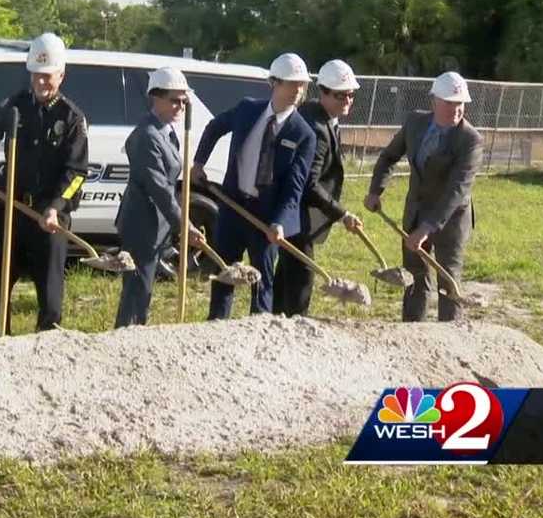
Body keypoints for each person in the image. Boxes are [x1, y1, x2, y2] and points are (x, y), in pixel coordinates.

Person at [0, 33, 89, 335]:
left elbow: (76, 172)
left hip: (48, 216)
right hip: (12, 209)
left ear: (61, 75)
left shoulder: (72, 118)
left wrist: (55, 208)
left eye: (48, 77)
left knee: (50, 292)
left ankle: (46, 343)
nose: (41, 83)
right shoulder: (15, 105)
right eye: (36, 76)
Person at [191, 52, 316, 319]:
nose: (297, 90)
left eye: (302, 84)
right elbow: (215, 127)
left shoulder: (303, 134)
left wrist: (280, 222)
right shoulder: (248, 109)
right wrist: (199, 162)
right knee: (224, 273)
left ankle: (257, 331)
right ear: (274, 83)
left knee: (262, 282)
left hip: (266, 220)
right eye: (291, 83)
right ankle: (217, 327)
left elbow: (295, 187)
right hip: (233, 206)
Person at [364, 71, 483, 322]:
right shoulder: (415, 123)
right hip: (416, 213)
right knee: (415, 277)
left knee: (448, 281)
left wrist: (428, 228)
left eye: (460, 103)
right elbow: (388, 157)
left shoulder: (470, 140)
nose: (456, 109)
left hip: (450, 221)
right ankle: (412, 334)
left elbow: (457, 189)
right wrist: (376, 190)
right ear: (434, 101)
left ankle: (450, 337)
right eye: (449, 102)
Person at [114, 67, 206, 327]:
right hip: (141, 225)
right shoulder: (146, 136)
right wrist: (185, 226)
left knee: (144, 290)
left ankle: (135, 332)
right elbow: (159, 189)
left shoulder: (166, 130)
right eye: (174, 100)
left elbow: (167, 172)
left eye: (183, 101)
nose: (180, 106)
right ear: (156, 97)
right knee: (136, 291)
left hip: (156, 225)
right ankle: (126, 338)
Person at [272, 59, 363, 317]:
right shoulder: (316, 127)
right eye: (340, 95)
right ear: (322, 91)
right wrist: (342, 214)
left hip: (296, 212)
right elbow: (309, 183)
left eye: (351, 95)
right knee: (301, 275)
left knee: (287, 272)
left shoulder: (323, 117)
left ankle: (274, 320)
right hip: (298, 213)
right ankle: (295, 323)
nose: (347, 100)